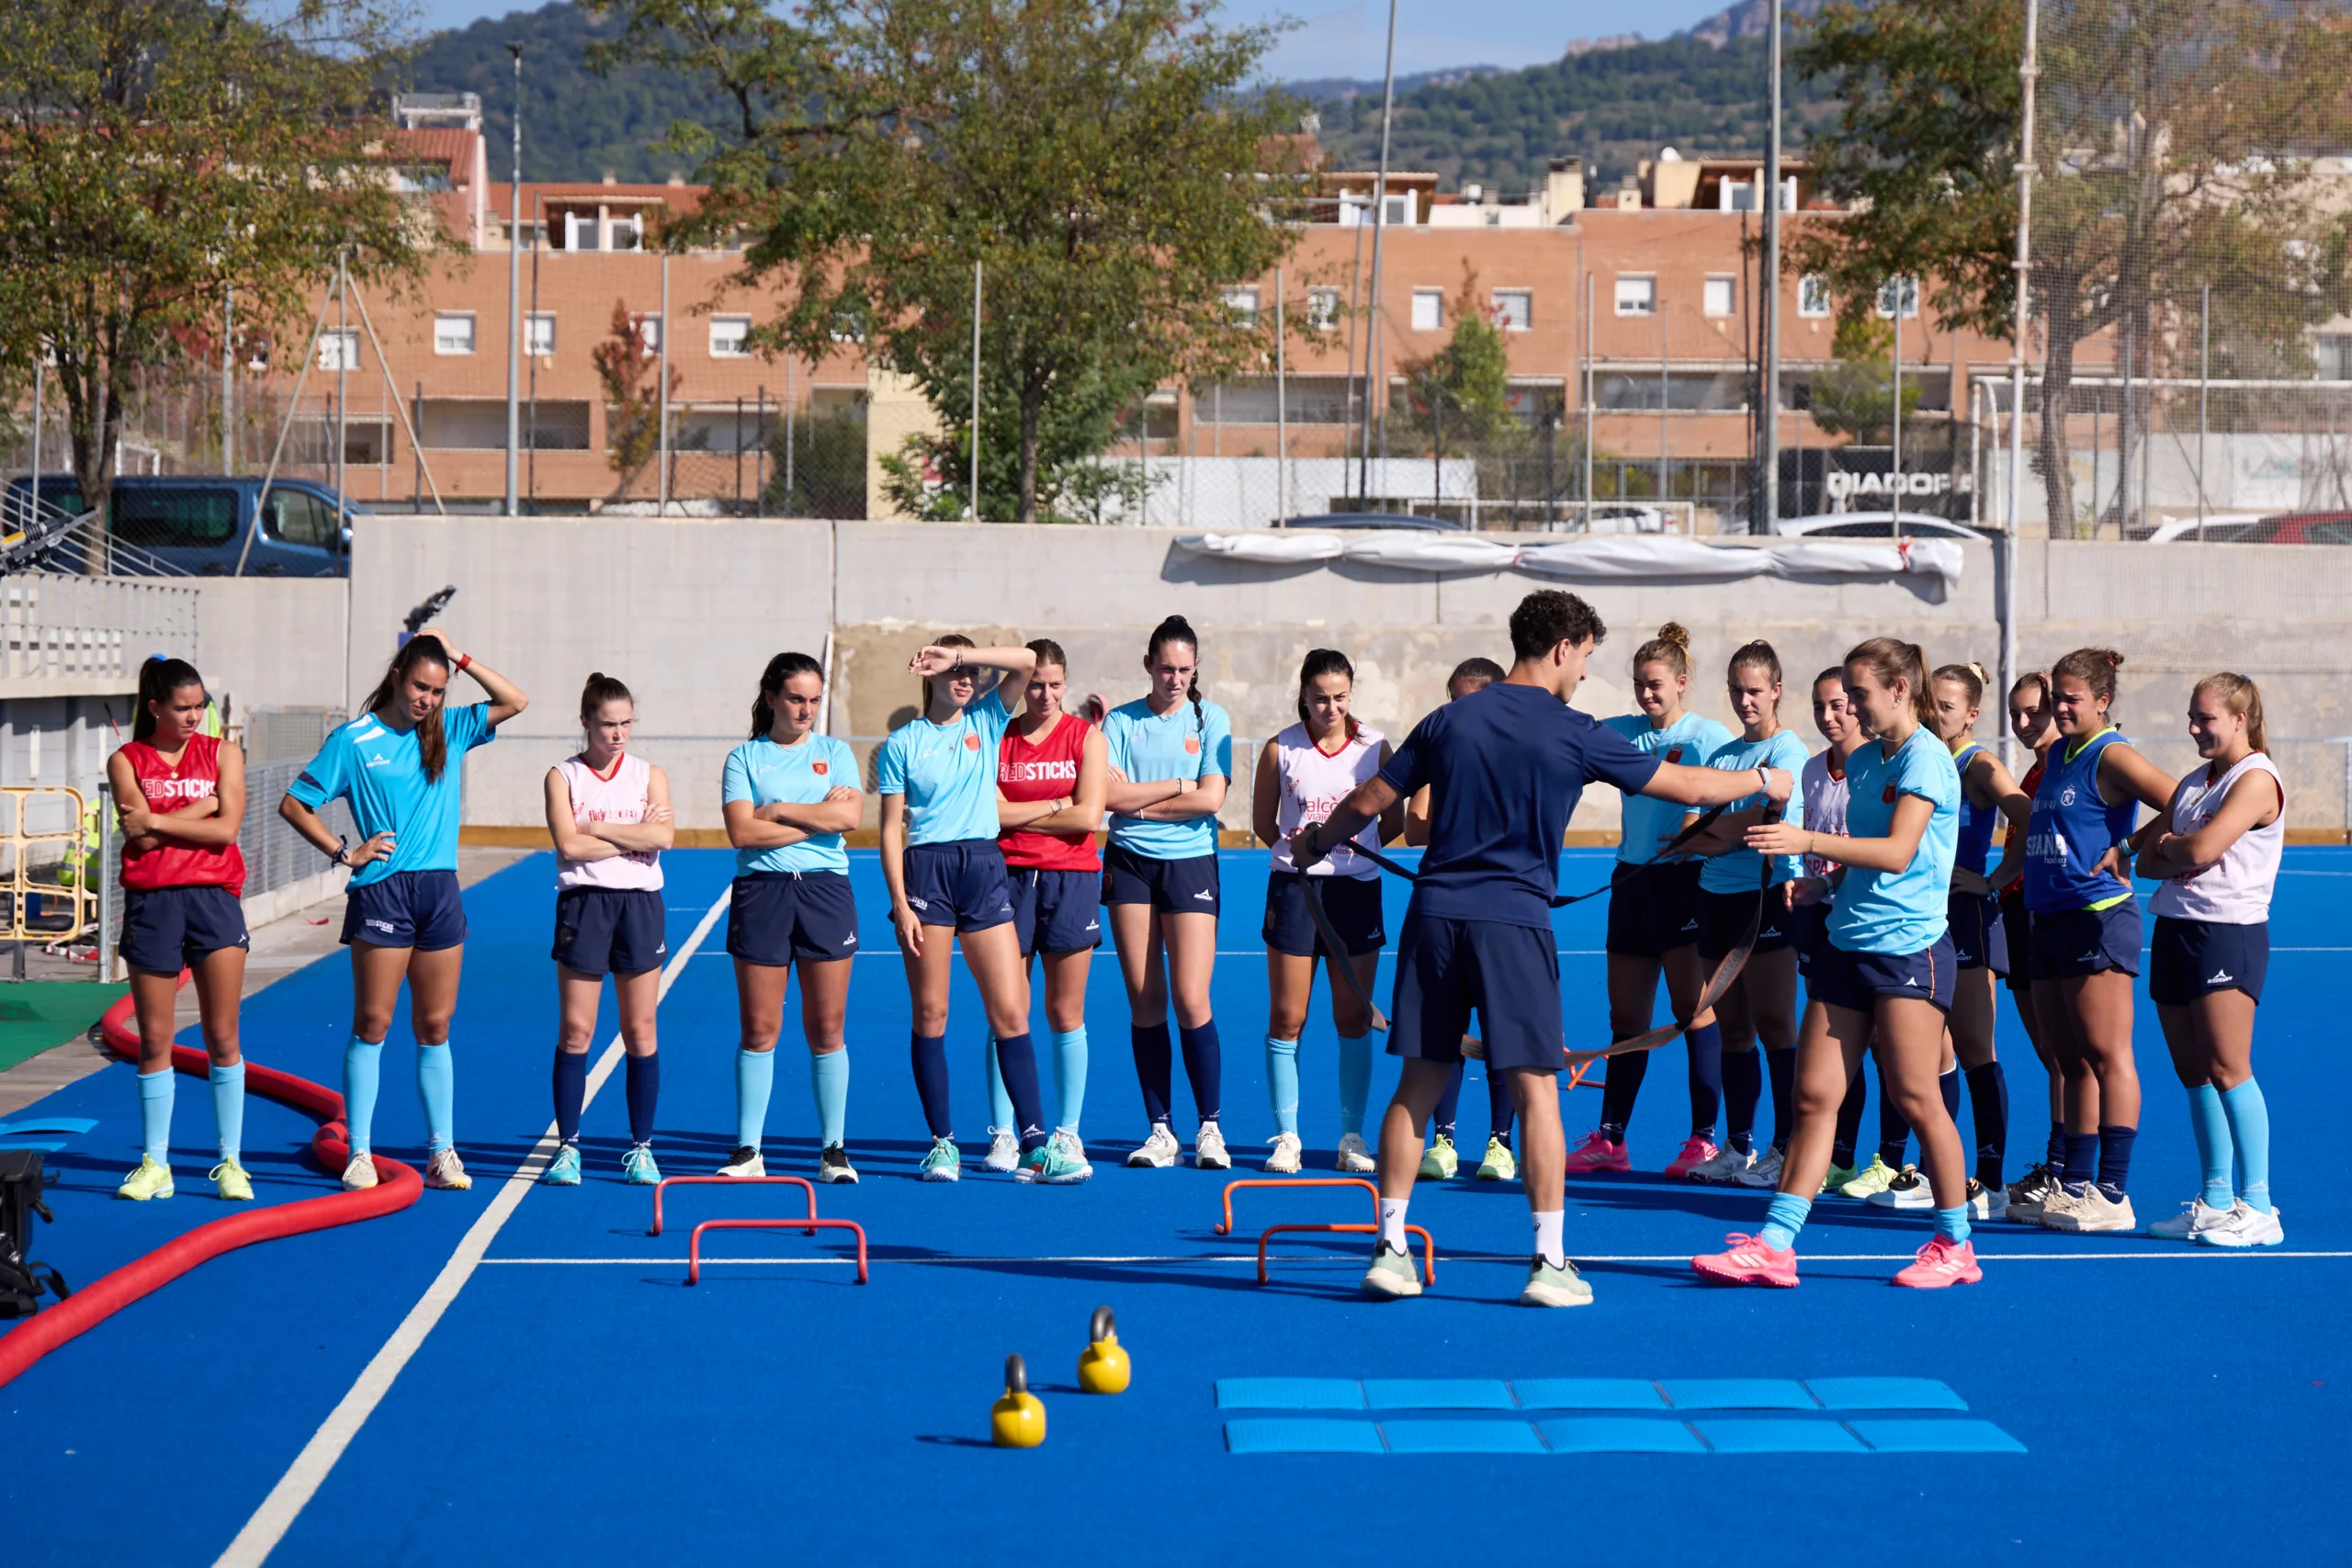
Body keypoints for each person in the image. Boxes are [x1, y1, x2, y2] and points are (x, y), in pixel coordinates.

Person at [1296, 590, 1794, 1309]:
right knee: (1536, 1090)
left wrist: (1315, 841)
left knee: (1417, 1083)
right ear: (1561, 648)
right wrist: (1763, 779)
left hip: (1434, 919)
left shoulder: (1447, 718)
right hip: (1513, 926)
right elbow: (1683, 783)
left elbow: (1371, 799)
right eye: (1586, 656)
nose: (1586, 672)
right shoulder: (1574, 730)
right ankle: (1548, 1260)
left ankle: (1391, 1248)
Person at [1692, 638, 1978, 1290]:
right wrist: (1823, 883)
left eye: (1861, 693)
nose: (1850, 705)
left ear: (1901, 689)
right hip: (1846, 943)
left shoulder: (1927, 759)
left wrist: (1809, 842)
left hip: (1906, 949)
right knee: (1815, 1095)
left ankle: (1956, 1243)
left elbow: (1902, 850)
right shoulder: (1872, 760)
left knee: (1914, 1095)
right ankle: (1775, 1242)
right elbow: (1865, 851)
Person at [280, 635, 528, 1192]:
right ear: (396, 676)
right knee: (373, 1024)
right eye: (421, 686)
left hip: (439, 891)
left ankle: (442, 1152)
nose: (429, 700)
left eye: (439, 691)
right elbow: (295, 803)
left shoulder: (450, 728)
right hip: (383, 891)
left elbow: (515, 700)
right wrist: (345, 852)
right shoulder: (353, 739)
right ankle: (360, 1152)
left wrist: (460, 658)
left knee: (435, 1026)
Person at [883, 637, 1083, 1183]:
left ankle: (1037, 1144)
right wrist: (900, 903)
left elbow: (1025, 660)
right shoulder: (903, 743)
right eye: (954, 670)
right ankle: (943, 1144)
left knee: (1011, 1013)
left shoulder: (990, 719)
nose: (965, 678)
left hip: (983, 866)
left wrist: (965, 656)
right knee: (932, 1012)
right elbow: (887, 831)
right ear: (928, 674)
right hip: (928, 872)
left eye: (971, 669)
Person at [1566, 623, 1734, 1178]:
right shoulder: (1622, 733)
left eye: (1655, 683)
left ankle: (1705, 1139)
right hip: (1630, 882)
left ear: (1681, 682)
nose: (1646, 694)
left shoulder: (1708, 736)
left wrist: (1701, 829)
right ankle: (1612, 1140)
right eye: (1638, 683)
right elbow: (1571, 737)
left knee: (1694, 1011)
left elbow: (1734, 794)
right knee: (1626, 1017)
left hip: (1684, 883)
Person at [1863, 661, 2030, 1218]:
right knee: (1928, 1051)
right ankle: (1942, 1174)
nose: (1937, 714)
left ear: (1973, 714)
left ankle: (1992, 1179)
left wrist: (1994, 879)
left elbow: (2028, 815)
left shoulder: (1976, 764)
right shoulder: (1917, 753)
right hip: (1920, 913)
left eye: (1949, 706)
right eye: (1932, 703)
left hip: (1964, 915)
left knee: (1975, 1046)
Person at [2022, 648, 2177, 1234]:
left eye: (2071, 699)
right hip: (2050, 919)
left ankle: (2113, 1192)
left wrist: (2132, 847)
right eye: (2055, 697)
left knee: (2108, 1054)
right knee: (2068, 1058)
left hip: (2097, 918)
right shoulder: (2059, 752)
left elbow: (2180, 798)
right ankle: (2076, 1184)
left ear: (2103, 701)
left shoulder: (2111, 754)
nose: (2059, 708)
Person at [2136, 673, 2284, 1247]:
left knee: (2228, 1067)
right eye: (2192, 717)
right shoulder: (2197, 782)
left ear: (2240, 719)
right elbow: (2146, 859)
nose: (2194, 728)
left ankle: (2260, 1205)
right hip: (2176, 927)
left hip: (2227, 934)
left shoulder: (2256, 778)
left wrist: (2175, 847)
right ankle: (2217, 1198)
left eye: (2206, 719)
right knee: (2192, 1071)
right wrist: (2172, 849)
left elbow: (2198, 848)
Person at [109, 658, 253, 1201]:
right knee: (154, 1040)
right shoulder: (127, 759)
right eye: (183, 708)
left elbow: (228, 828)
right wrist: (205, 805)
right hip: (152, 904)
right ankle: (156, 1164)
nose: (195, 717)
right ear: (155, 708)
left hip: (215, 900)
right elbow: (138, 841)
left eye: (201, 707)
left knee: (222, 1035)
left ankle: (231, 1162)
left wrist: (162, 819)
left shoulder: (225, 752)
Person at [1253, 649, 1402, 1176]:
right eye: (1320, 698)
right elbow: (1263, 823)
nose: (1331, 707)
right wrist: (1298, 850)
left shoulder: (1374, 747)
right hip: (1295, 893)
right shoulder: (1281, 748)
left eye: (1340, 697)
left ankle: (1351, 1135)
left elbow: (1393, 822)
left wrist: (1349, 850)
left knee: (1353, 1017)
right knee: (1288, 1018)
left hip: (1356, 892)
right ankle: (1287, 1136)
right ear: (1304, 695)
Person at [718, 653, 864, 1183]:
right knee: (759, 1028)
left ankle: (833, 1151)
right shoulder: (744, 759)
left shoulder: (836, 753)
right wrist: (816, 822)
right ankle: (748, 1151)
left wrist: (777, 810)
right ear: (772, 697)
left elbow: (849, 816)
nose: (805, 710)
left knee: (827, 1028)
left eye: (814, 700)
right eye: (796, 698)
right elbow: (743, 834)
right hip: (763, 893)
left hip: (825, 893)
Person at [1674, 641, 1809, 1186]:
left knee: (1776, 1023)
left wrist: (1713, 838)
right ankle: (1739, 1145)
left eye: (1755, 690)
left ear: (1776, 690)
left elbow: (1761, 827)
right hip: (1715, 899)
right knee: (1732, 1028)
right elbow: (1696, 834)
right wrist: (1709, 839)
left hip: (1767, 898)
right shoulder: (1724, 755)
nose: (1745, 700)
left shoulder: (1789, 752)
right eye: (1737, 690)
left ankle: (1786, 1146)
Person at [1102, 615, 1234, 1170]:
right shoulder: (1119, 722)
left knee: (1191, 997)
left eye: (1184, 669)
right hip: (1130, 863)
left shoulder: (1211, 718)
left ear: (1195, 668)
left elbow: (1211, 801)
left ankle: (1209, 1128)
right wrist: (1178, 786)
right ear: (1148, 666)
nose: (1174, 679)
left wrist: (1143, 802)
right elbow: (1107, 795)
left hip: (1189, 864)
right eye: (1165, 669)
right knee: (1145, 998)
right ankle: (1161, 1130)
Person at [541, 673, 674, 1187]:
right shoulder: (562, 776)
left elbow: (662, 835)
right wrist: (630, 837)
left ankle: (641, 1148)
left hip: (640, 906)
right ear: (586, 723)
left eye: (626, 724)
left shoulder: (650, 774)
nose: (618, 734)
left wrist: (595, 828)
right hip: (584, 905)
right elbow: (568, 848)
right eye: (607, 725)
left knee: (640, 1031)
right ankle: (568, 1148)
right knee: (577, 1031)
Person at [989, 638, 1107, 1181]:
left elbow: (1087, 819)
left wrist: (1023, 815)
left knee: (1065, 1012)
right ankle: (1005, 1132)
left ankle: (1067, 1130)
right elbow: (990, 814)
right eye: (1035, 683)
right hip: (1007, 878)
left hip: (1072, 878)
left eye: (1055, 684)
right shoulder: (1000, 735)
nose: (1044, 693)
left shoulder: (1086, 737)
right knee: (1008, 1011)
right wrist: (1054, 806)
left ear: (1066, 684)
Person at [1406, 658, 1519, 1182]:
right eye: (1451, 699)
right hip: (1444, 910)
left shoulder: (1518, 754)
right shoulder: (1440, 743)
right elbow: (1415, 829)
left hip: (1500, 913)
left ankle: (1500, 1142)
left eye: (1466, 701)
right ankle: (1444, 1139)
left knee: (1503, 1033)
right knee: (1443, 1033)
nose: (1456, 711)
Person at [1998, 672, 2071, 1218]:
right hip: (2020, 915)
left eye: (2033, 713)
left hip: (2053, 915)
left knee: (2069, 1055)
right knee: (2051, 1055)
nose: (2024, 725)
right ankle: (2060, 1163)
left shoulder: (2072, 765)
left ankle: (2068, 1167)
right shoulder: (2035, 771)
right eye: (2016, 715)